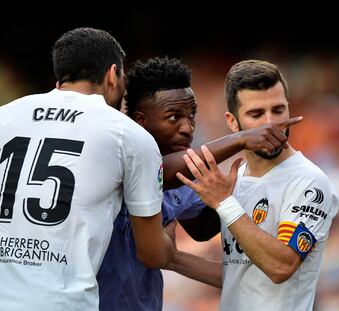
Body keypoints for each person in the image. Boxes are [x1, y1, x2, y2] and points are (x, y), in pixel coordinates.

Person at [97, 56, 302, 311]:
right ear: (141, 120)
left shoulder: (183, 176)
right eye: (174, 117)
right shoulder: (115, 157)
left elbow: (202, 229)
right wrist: (241, 139)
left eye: (192, 114)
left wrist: (232, 195)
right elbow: (156, 171)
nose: (188, 128)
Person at [0, 28, 174, 311]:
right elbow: (153, 254)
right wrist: (170, 236)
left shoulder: (5, 115)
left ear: (60, 77)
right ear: (112, 75)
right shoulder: (128, 134)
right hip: (59, 302)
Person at [175, 59, 339, 311]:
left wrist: (224, 203)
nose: (270, 123)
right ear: (232, 122)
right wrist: (172, 259)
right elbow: (239, 274)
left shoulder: (309, 181)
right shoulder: (236, 177)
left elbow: (280, 266)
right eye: (256, 114)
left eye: (278, 110)